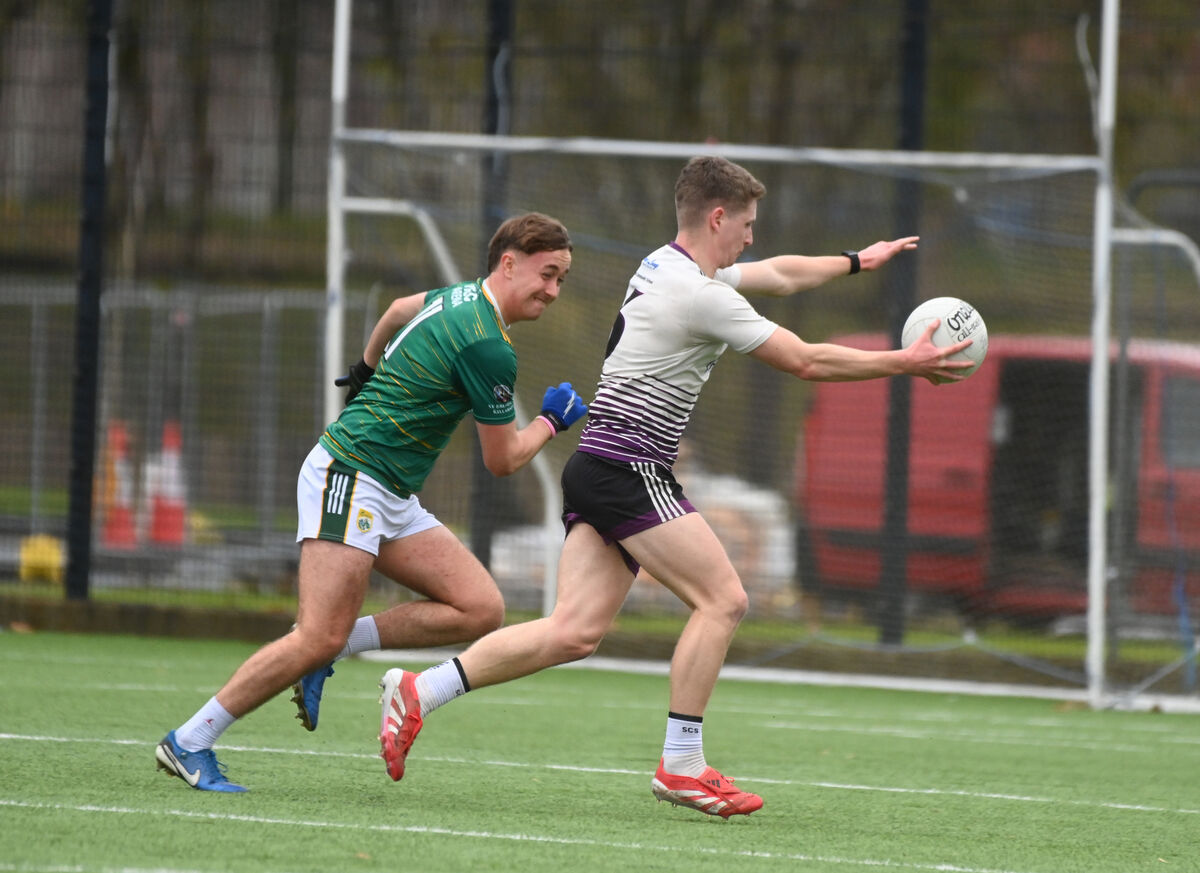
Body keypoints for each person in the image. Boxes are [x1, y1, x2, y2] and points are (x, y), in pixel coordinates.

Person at [369, 157, 976, 819]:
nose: (750, 238)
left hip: (599, 463)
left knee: (572, 632)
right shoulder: (701, 294)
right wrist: (907, 362)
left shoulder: (666, 265)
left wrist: (857, 260)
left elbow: (778, 274)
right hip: (630, 468)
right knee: (724, 598)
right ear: (718, 217)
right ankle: (682, 763)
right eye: (745, 224)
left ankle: (418, 689)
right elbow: (804, 358)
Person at [154, 212, 588, 792]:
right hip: (351, 476)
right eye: (548, 274)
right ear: (508, 263)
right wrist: (551, 422)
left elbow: (397, 309)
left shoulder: (459, 296)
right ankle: (188, 741)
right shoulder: (489, 346)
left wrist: (365, 367)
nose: (554, 291)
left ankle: (331, 650)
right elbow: (503, 459)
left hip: (388, 490)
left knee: (480, 608)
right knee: (314, 633)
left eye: (562, 279)